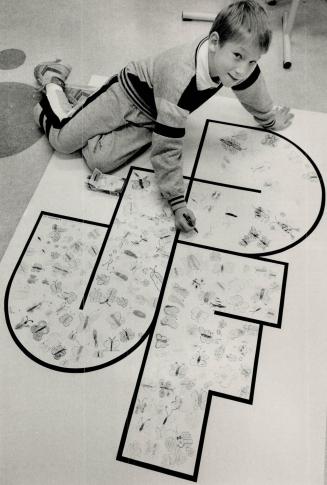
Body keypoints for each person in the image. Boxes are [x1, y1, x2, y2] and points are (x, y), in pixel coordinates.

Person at [33, 0, 293, 232]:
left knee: (99, 160)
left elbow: (252, 87)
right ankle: (53, 81)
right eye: (238, 56)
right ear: (214, 42)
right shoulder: (179, 76)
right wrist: (177, 201)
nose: (242, 70)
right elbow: (167, 149)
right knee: (63, 141)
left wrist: (269, 118)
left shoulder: (237, 67)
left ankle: (86, 103)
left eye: (252, 61)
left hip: (158, 112)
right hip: (126, 94)